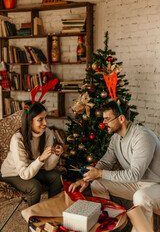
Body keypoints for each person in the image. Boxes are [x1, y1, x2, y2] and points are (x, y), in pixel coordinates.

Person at [69, 99, 160, 231]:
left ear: (121, 118)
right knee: (98, 184)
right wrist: (86, 179)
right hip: (139, 183)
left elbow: (134, 174)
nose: (103, 123)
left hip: (156, 185)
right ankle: (109, 224)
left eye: (107, 119)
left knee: (141, 196)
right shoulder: (116, 138)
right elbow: (106, 162)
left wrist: (99, 173)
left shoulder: (142, 137)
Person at [1, 101, 64, 206]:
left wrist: (55, 155)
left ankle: (52, 210)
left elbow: (48, 167)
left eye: (45, 118)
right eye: (40, 120)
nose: (45, 123)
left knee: (56, 176)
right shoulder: (18, 139)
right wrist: (40, 159)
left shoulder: (47, 133)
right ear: (30, 122)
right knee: (34, 186)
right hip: (12, 173)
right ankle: (33, 220)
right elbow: (25, 174)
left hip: (31, 168)